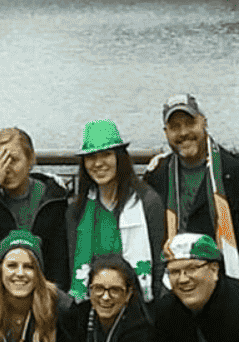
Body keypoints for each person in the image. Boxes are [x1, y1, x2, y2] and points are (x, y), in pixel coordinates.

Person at [144, 93, 239, 285]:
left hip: (225, 281)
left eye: (190, 123)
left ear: (204, 123)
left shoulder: (238, 173)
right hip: (176, 280)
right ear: (166, 132)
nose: (183, 132)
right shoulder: (157, 175)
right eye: (175, 127)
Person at [65, 119, 167, 303]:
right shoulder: (76, 210)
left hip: (139, 306)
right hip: (92, 305)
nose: (98, 163)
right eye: (91, 157)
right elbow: (73, 264)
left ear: (120, 158)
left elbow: (160, 263)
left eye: (106, 154)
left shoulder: (148, 202)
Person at [0, 126, 68, 296]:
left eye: (13, 160)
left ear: (31, 160)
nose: (5, 168)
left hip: (41, 294)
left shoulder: (51, 198)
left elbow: (59, 260)